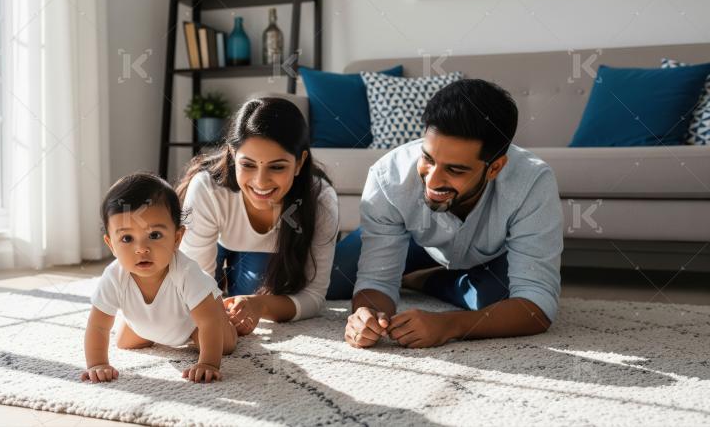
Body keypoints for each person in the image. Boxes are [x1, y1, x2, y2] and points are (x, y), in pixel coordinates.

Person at [328, 79, 563, 349]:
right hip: (412, 240)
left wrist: (449, 325)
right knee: (330, 280)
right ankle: (417, 273)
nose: (433, 181)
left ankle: (426, 280)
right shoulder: (388, 176)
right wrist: (367, 316)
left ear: (495, 168)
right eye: (428, 158)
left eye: (455, 170)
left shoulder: (533, 181)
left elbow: (538, 307)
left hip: (491, 256)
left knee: (494, 302)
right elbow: (376, 280)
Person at [177, 97, 339, 335]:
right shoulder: (207, 189)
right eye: (249, 165)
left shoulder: (321, 199)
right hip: (218, 243)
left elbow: (314, 296)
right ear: (232, 155)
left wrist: (260, 304)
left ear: (299, 163)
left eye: (277, 167)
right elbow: (193, 287)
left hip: (270, 255)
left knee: (256, 288)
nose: (260, 182)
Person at [82, 172, 236, 384]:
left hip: (192, 323)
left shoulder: (187, 272)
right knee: (124, 343)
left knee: (224, 344)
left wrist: (208, 363)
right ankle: (146, 324)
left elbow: (208, 321)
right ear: (111, 245)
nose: (141, 249)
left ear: (177, 238)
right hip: (148, 322)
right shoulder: (114, 275)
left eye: (154, 235)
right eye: (127, 238)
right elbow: (98, 326)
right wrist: (97, 364)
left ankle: (227, 316)